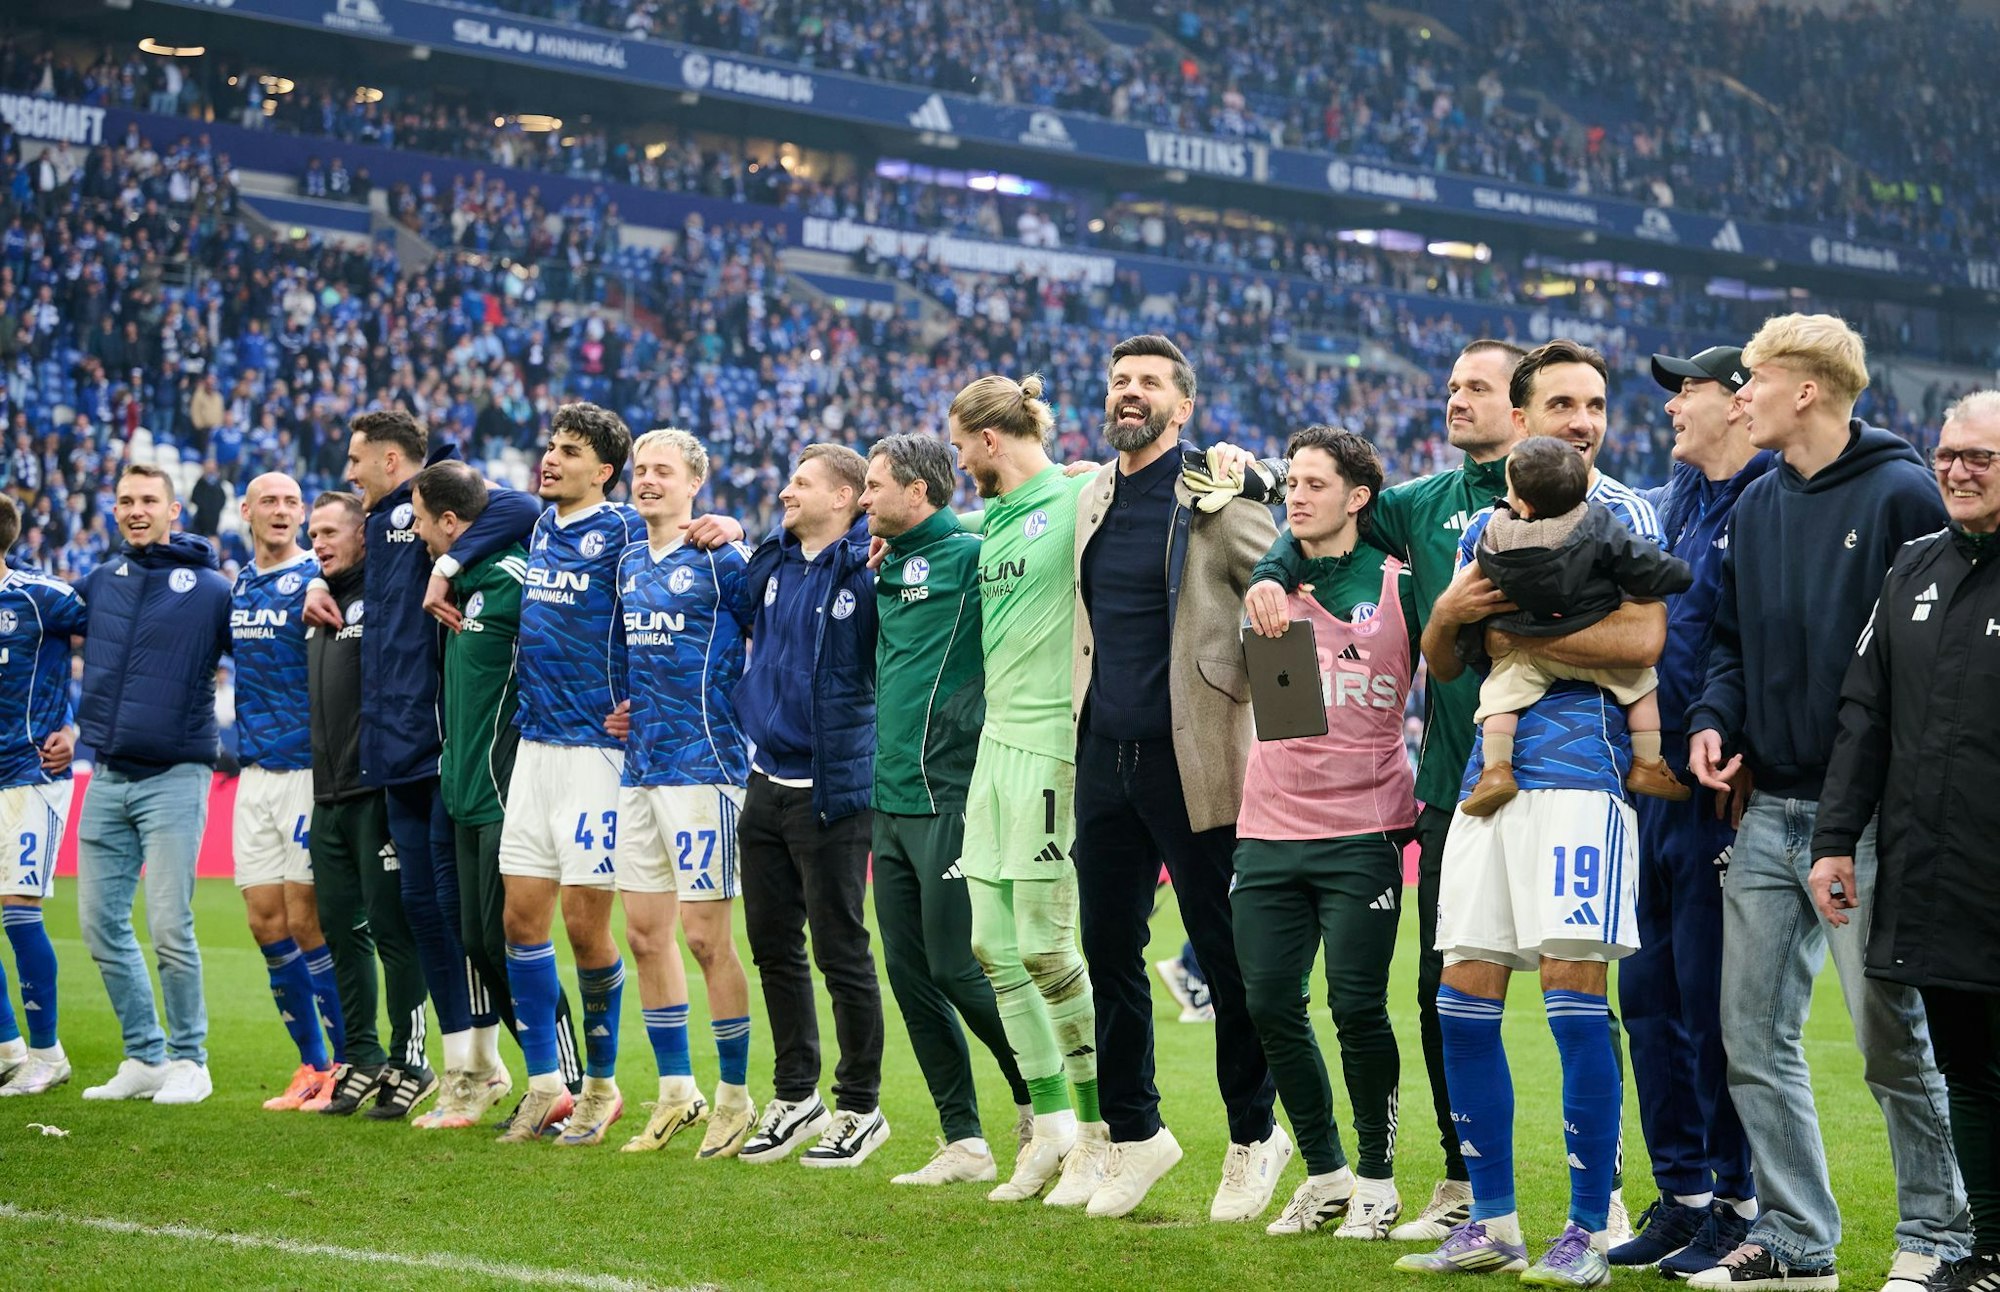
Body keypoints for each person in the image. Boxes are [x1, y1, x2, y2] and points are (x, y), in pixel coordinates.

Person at [1686, 314, 1968, 1292]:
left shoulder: (1903, 494)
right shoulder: (1757, 501)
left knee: (1892, 1041)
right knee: (1750, 1039)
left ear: (1804, 389)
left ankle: (1938, 1233)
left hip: (1872, 821)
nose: (1739, 396)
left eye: (1753, 379)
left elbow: (1923, 664)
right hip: (1767, 809)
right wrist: (1714, 717)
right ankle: (1797, 1242)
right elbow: (1729, 640)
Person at [1395, 339, 1671, 1287]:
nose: (1584, 422)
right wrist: (1448, 615)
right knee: (1462, 1002)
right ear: (1522, 421)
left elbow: (1644, 637)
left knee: (1572, 1000)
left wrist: (1508, 634)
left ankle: (1590, 1227)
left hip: (1582, 783)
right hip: (1489, 782)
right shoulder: (1483, 525)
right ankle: (1494, 1222)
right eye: (1563, 405)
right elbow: (1444, 659)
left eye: (1596, 405)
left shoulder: (1624, 510)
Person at [1250, 339, 1525, 1240]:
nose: (1456, 399)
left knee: (1564, 997)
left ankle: (1402, 1179)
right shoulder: (1402, 513)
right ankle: (1369, 1175)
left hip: (1405, 812)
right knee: (1301, 1001)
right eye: (1451, 386)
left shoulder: (1546, 505)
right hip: (1346, 810)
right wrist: (1269, 570)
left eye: (1476, 386)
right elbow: (1310, 523)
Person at [1069, 334, 1283, 1222]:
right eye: (1120, 380)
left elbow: (1281, 596)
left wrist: (1294, 743)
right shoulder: (1091, 495)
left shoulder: (1217, 495)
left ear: (1183, 406)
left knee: (1227, 959)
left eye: (1150, 383)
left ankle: (1255, 1137)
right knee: (1108, 955)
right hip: (1102, 756)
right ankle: (1136, 1134)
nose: (1131, 392)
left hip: (1195, 759)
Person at [305, 410, 550, 1123]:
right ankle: (467, 1067)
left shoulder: (433, 502)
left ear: (390, 461)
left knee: (463, 921)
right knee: (423, 913)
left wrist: (444, 564)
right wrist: (312, 584)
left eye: (357, 459)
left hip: (439, 745)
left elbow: (520, 506)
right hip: (390, 751)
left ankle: (531, 1068)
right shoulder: (383, 522)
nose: (349, 472)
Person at [1810, 389, 2000, 1292]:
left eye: (1980, 458)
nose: (1957, 471)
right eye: (1947, 454)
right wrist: (1834, 839)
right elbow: (1866, 714)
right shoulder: (1913, 567)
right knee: (1966, 1066)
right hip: (1934, 867)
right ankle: (1990, 1253)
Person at [1236, 428, 1419, 1237]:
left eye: (1316, 484)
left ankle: (1378, 1181)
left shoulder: (1401, 581)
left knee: (1357, 1007)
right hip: (1269, 825)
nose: (1298, 497)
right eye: (1292, 485)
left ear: (1358, 497)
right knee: (1270, 1002)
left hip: (1364, 830)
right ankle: (1327, 1174)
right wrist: (1268, 574)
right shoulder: (1269, 583)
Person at [1611, 346, 1768, 1277]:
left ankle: (1742, 1203)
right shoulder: (1672, 503)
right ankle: (1684, 1197)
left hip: (1716, 789)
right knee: (1648, 1000)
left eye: (1689, 391)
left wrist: (1743, 741)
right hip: (1650, 785)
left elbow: (1753, 643)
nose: (1672, 406)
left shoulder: (1768, 501)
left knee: (1712, 1008)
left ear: (1739, 404)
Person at [945, 373, 1105, 1206]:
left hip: (1054, 749)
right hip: (994, 750)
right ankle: (1051, 1130)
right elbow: (931, 525)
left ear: (989, 439)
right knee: (992, 947)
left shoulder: (1078, 497)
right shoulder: (993, 518)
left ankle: (1103, 1132)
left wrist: (1094, 475)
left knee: (1047, 946)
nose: (957, 461)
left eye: (959, 445)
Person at [860, 432, 1034, 1185]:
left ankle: (1044, 1102)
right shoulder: (882, 561)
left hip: (952, 794)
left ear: (918, 491)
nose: (864, 498)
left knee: (960, 968)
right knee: (908, 975)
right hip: (890, 798)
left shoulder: (970, 554)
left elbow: (1019, 522)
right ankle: (963, 1140)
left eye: (875, 485)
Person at [730, 443, 888, 1167]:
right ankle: (797, 1097)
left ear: (845, 497)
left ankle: (860, 1107)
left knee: (840, 952)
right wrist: (729, 532)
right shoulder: (773, 561)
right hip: (765, 779)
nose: (785, 492)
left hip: (833, 788)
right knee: (772, 949)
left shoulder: (868, 565)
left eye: (801, 483)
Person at [492, 402, 645, 1147]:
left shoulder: (625, 530)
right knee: (520, 920)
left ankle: (602, 1089)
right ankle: (546, 1084)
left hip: (596, 753)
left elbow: (677, 585)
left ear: (604, 471)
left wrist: (729, 529)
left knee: (586, 928)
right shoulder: (539, 524)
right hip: (535, 747)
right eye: (551, 446)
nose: (551, 458)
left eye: (570, 451)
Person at [605, 429, 758, 1158]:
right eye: (640, 470)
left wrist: (741, 530)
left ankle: (735, 1098)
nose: (647, 481)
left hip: (706, 769)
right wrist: (625, 705)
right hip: (641, 767)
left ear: (694, 482)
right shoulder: (629, 559)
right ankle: (676, 1094)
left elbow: (775, 630)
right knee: (643, 935)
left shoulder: (721, 558)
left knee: (705, 939)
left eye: (662, 471)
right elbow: (627, 652)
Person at [75, 464, 231, 1105]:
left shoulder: (212, 590)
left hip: (175, 777)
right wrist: (56, 726)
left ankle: (191, 1060)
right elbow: (44, 642)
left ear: (173, 511)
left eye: (148, 500)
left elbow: (261, 657)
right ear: (114, 511)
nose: (136, 510)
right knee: (98, 927)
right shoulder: (99, 581)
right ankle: (144, 1055)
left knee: (169, 927)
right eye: (125, 501)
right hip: (107, 776)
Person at [1456, 437, 1692, 816]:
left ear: (1523, 503)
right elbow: (1637, 562)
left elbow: (1480, 594)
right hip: (1591, 639)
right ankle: (1648, 763)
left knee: (1499, 699)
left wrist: (1480, 640)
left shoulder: (1495, 533)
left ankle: (1496, 771)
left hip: (1525, 645)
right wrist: (1676, 574)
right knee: (1642, 685)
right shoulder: (1595, 522)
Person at [406, 461, 526, 1131]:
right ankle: (535, 1078)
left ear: (451, 523)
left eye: (422, 521)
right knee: (476, 942)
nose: (417, 533)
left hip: (502, 795)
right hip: (458, 792)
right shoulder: (461, 585)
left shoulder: (511, 580)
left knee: (510, 942)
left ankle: (566, 1080)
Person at [302, 490, 429, 1117]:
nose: (318, 543)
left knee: (391, 930)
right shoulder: (317, 602)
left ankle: (412, 1060)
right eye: (313, 535)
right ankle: (362, 1054)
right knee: (339, 931)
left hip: (376, 791)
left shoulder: (386, 600)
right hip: (326, 796)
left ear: (363, 534)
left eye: (329, 532)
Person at [229, 472, 344, 1112]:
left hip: (306, 772)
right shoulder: (238, 586)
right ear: (246, 511)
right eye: (269, 501)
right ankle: (312, 1065)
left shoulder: (316, 578)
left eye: (291, 502)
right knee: (264, 921)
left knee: (307, 921)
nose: (281, 510)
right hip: (253, 774)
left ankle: (347, 1064)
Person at [0, 493, 86, 1097]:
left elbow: (116, 647)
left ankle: (48, 1053)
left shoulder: (41, 596)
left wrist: (76, 727)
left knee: (17, 910)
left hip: (29, 774)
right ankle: (8, 1046)